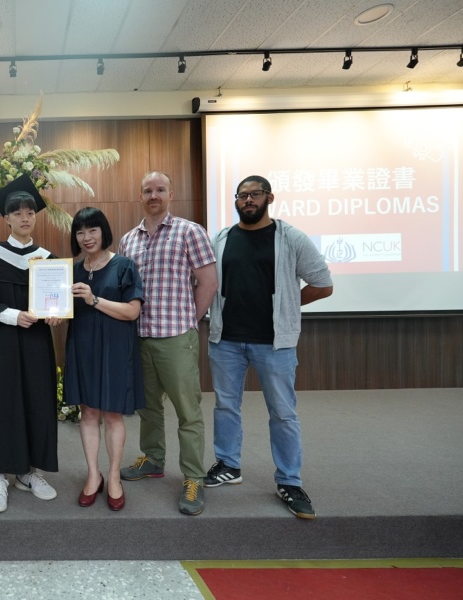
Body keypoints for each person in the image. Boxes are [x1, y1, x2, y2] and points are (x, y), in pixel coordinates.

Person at [204, 175, 333, 520]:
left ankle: (289, 481)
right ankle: (229, 464)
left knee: (283, 413)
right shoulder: (222, 238)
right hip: (226, 340)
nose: (248, 200)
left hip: (274, 344)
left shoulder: (290, 238)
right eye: (242, 195)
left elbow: (322, 284)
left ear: (269, 198)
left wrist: (288, 306)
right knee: (226, 406)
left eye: (254, 194)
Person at [118, 171, 218, 516]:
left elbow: (208, 281)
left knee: (187, 412)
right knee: (148, 408)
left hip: (176, 337)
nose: (153, 195)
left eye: (160, 189)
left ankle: (193, 476)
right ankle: (154, 459)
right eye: (147, 190)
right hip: (140, 337)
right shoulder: (128, 240)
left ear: (170, 193)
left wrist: (189, 319)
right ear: (140, 196)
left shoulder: (189, 232)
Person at [0, 174, 59, 514]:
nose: (25, 217)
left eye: (30, 212)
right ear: (5, 218)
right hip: (3, 342)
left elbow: (57, 303)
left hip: (37, 343)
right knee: (4, 405)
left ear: (35, 216)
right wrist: (12, 316)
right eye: (17, 212)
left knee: (37, 400)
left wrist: (55, 315)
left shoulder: (47, 259)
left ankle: (30, 471)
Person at [64, 207, 144, 512]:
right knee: (87, 412)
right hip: (83, 345)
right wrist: (55, 316)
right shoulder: (71, 269)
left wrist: (93, 299)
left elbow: (132, 311)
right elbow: (63, 308)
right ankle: (92, 475)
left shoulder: (124, 265)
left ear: (103, 232)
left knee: (112, 414)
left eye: (92, 230)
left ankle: (113, 477)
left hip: (115, 347)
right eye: (80, 232)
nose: (86, 237)